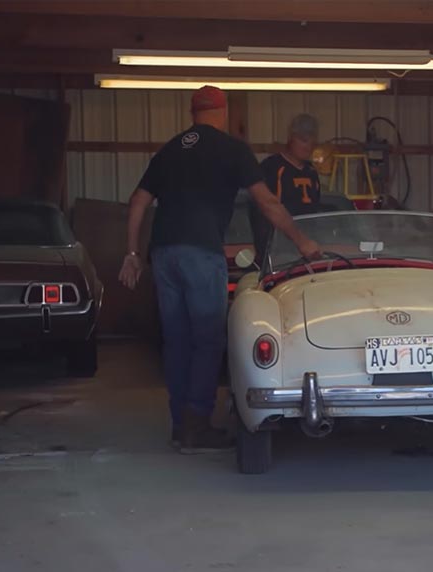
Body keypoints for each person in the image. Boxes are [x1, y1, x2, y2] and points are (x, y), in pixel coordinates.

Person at [117, 85, 321, 452]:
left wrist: (132, 253)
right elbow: (267, 203)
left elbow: (137, 202)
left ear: (192, 113)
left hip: (163, 253)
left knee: (176, 340)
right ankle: (197, 425)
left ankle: (180, 426)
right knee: (208, 339)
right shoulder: (232, 149)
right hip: (200, 252)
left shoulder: (169, 150)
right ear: (223, 112)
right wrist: (301, 240)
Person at [248, 113, 322, 263]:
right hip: (278, 252)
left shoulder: (312, 172)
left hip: (307, 251)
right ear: (291, 138)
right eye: (303, 140)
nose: (308, 147)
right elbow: (263, 209)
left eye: (312, 143)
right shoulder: (271, 168)